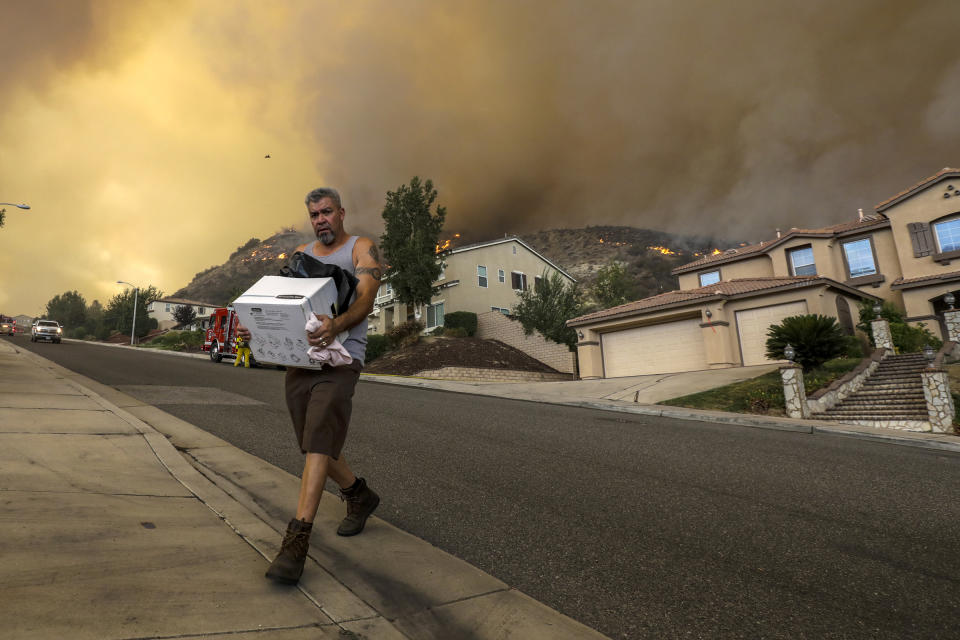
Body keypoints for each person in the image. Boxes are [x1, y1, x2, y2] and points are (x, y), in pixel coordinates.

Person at [237, 187, 383, 585]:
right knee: (312, 441)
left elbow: (366, 298)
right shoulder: (301, 256)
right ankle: (359, 495)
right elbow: (279, 307)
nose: (321, 219)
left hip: (341, 358)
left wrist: (336, 324)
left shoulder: (360, 248)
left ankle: (295, 544)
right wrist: (254, 328)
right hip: (301, 361)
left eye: (327, 212)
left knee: (318, 441)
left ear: (341, 213)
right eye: (314, 214)